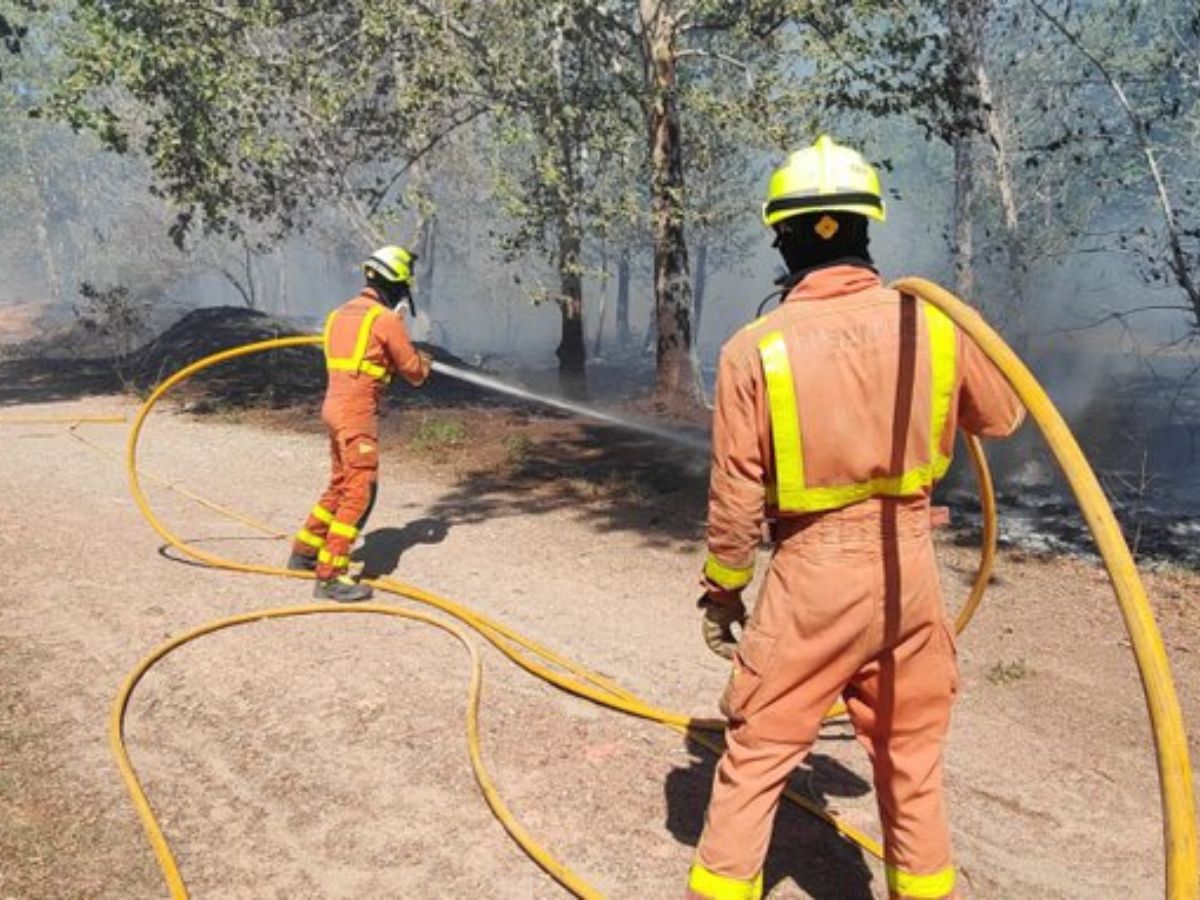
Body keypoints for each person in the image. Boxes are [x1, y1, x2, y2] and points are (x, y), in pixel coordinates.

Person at [687, 135, 1025, 900]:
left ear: (783, 237)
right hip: (909, 572)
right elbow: (1002, 416)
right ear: (867, 228)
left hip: (812, 579)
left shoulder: (754, 349)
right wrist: (952, 332)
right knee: (910, 760)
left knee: (758, 756)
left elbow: (737, 495)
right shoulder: (932, 326)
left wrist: (724, 592)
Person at [287, 245, 432, 602]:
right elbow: (413, 372)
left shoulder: (338, 315)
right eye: (402, 289)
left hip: (333, 407)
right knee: (359, 489)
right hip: (355, 413)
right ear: (395, 284)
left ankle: (304, 552)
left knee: (339, 483)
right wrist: (423, 361)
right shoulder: (385, 320)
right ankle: (330, 575)